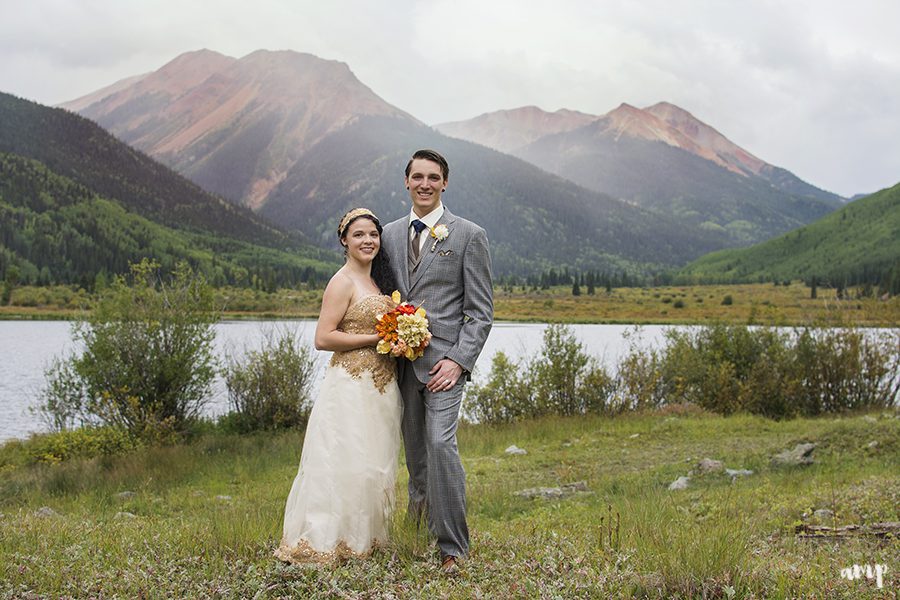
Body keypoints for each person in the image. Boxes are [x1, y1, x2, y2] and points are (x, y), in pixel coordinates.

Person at [382, 149, 494, 574]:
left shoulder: (468, 235)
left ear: (445, 183)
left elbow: (480, 311)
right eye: (417, 177)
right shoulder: (388, 234)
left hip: (445, 365)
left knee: (441, 445)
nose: (425, 184)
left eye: (433, 177)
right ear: (406, 183)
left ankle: (453, 548)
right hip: (399, 364)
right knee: (415, 454)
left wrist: (460, 360)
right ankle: (418, 531)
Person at [275, 208, 402, 564]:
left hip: (380, 386)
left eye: (373, 235)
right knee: (343, 461)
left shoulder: (378, 282)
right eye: (359, 235)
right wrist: (376, 338)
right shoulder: (342, 281)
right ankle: (324, 542)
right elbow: (323, 337)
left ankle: (363, 542)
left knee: (371, 465)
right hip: (350, 384)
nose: (368, 241)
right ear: (344, 240)